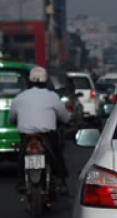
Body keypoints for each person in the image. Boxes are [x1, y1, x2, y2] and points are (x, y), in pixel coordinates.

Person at [10, 66, 71, 194]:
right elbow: (64, 116)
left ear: (29, 81)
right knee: (56, 154)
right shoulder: (52, 96)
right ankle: (61, 181)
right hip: (47, 135)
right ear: (46, 81)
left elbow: (11, 118)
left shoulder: (19, 97)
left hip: (26, 135)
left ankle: (21, 181)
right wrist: (67, 122)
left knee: (21, 155)